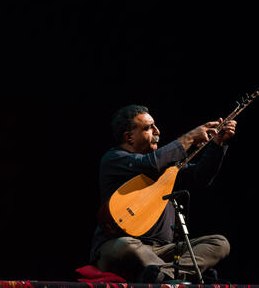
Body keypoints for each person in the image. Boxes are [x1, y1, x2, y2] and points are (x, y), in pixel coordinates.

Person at [90, 104, 235, 283]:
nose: (157, 131)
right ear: (129, 137)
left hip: (164, 250)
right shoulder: (114, 159)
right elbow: (149, 163)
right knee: (125, 245)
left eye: (155, 125)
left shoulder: (165, 167)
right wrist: (191, 137)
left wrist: (217, 144)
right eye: (149, 127)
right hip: (122, 245)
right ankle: (187, 274)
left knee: (219, 243)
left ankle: (167, 274)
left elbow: (200, 177)